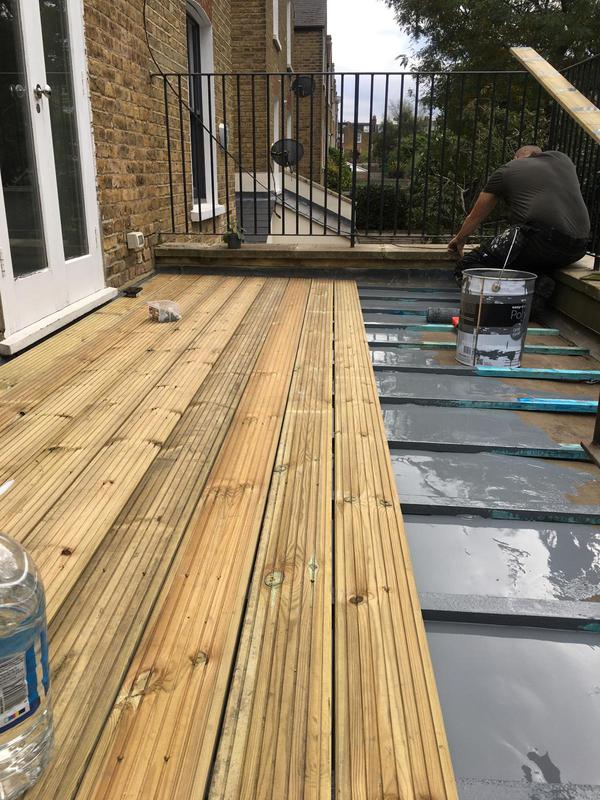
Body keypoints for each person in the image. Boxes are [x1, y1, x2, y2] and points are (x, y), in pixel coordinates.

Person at [448, 146, 590, 305]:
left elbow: (476, 216)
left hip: (542, 242)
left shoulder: (507, 170)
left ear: (516, 158)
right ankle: (535, 288)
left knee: (466, 266)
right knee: (521, 259)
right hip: (578, 249)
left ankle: (536, 284)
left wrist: (460, 239)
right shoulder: (563, 159)